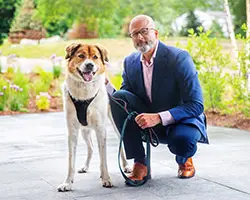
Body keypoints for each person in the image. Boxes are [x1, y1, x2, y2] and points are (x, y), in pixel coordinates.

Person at [105, 14, 208, 182]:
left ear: (156, 33)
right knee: (119, 96)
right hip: (148, 118)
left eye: (144, 31)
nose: (140, 37)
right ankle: (140, 163)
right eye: (134, 34)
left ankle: (184, 160)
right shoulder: (130, 62)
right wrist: (106, 85)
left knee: (183, 142)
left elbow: (196, 105)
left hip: (181, 120)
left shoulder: (179, 58)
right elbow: (123, 101)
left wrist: (159, 117)